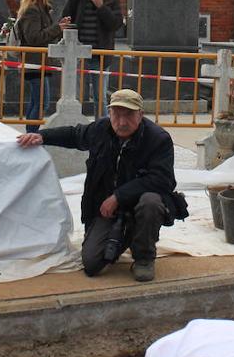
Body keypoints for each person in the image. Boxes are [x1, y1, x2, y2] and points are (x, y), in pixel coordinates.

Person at [16, 89, 184, 282]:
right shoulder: (101, 129)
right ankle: (128, 233)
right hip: (106, 208)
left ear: (140, 115)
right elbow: (74, 134)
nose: (121, 122)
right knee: (92, 263)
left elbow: (163, 180)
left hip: (138, 203)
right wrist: (42, 137)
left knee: (151, 202)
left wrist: (118, 197)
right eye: (116, 115)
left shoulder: (158, 139)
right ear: (109, 113)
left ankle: (144, 258)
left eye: (128, 115)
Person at [60, 0, 123, 114]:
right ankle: (75, 130)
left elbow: (115, 25)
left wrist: (101, 7)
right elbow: (64, 21)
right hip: (78, 56)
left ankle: (102, 133)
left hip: (100, 57)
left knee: (100, 99)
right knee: (74, 98)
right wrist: (66, 22)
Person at [15, 0, 71, 133]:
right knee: (41, 103)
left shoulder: (41, 9)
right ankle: (32, 135)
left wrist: (59, 27)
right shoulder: (32, 10)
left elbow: (43, 34)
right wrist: (57, 28)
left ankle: (31, 134)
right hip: (34, 64)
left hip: (39, 63)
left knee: (36, 102)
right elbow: (34, 37)